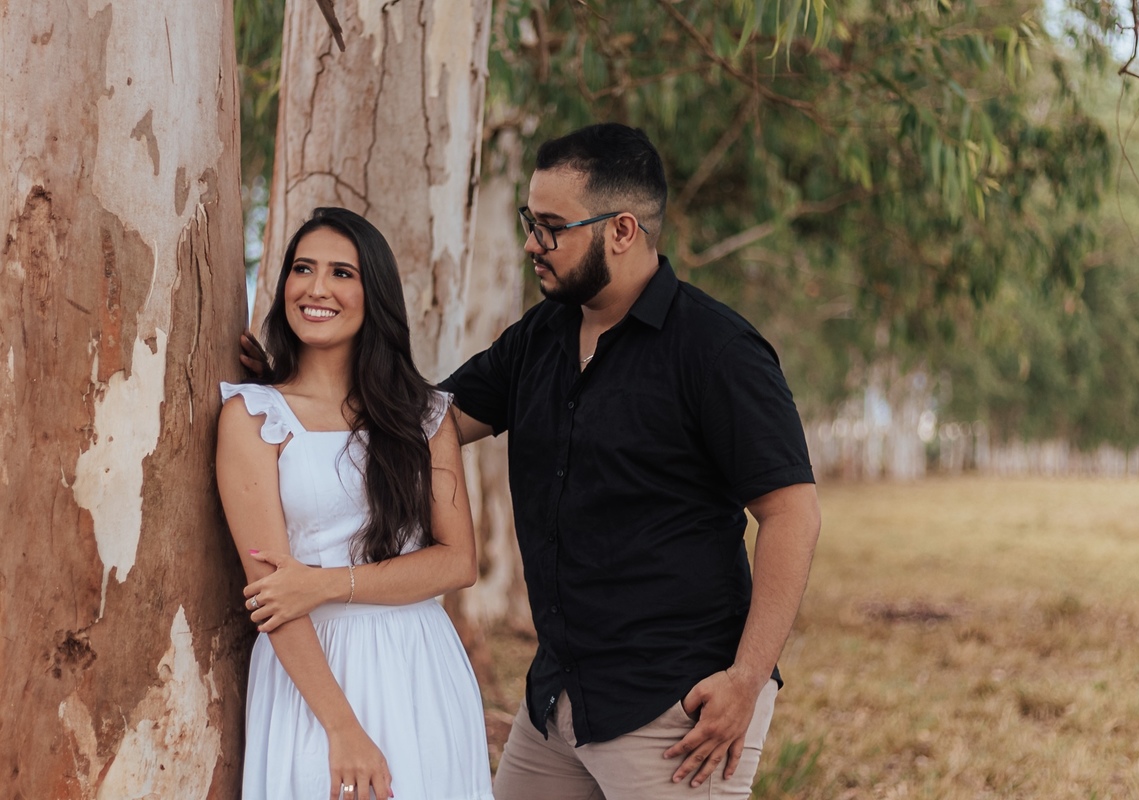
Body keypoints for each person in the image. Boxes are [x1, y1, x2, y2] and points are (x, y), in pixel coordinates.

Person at [441, 123, 821, 799]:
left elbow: (792, 512)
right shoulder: (540, 337)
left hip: (676, 708)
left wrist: (747, 680)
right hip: (558, 698)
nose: (531, 244)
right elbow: (429, 420)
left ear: (621, 230)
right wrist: (290, 386)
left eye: (551, 227)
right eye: (530, 220)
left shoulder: (718, 350)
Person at [217, 207, 493, 800]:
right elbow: (273, 596)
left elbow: (457, 563)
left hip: (422, 667)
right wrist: (342, 728)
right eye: (302, 269)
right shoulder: (253, 416)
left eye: (342, 273)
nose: (316, 288)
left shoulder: (425, 416)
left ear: (376, 294)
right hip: (312, 678)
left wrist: (322, 583)